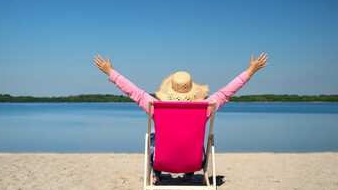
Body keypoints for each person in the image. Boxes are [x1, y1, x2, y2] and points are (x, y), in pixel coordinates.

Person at [94, 53, 269, 182]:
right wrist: (249, 72)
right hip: (194, 161)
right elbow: (225, 93)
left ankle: (156, 174)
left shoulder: (156, 107)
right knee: (193, 136)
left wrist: (111, 72)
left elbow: (135, 93)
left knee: (154, 136)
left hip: (161, 160)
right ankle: (189, 173)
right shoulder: (205, 108)